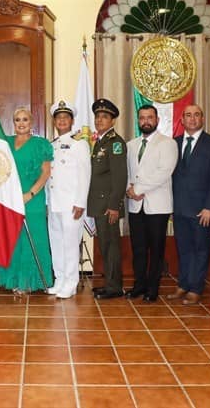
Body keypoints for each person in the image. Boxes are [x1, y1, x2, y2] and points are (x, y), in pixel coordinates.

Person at [169, 105, 210, 305]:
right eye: (188, 115)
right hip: (179, 208)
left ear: (203, 118)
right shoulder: (173, 144)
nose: (192, 119)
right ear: (181, 120)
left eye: (196, 115)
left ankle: (196, 288)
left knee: (201, 249)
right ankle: (183, 285)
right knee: (183, 248)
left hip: (202, 209)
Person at [0, 108, 53, 295]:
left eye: (25, 120)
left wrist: (30, 194)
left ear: (31, 122)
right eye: (17, 120)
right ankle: (15, 279)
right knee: (14, 240)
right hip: (10, 200)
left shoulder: (40, 144)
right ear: (13, 123)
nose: (21, 123)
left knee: (34, 240)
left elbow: (46, 173)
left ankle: (32, 281)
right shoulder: (5, 142)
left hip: (33, 199)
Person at [125, 105, 177, 302]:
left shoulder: (167, 144)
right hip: (135, 205)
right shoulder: (131, 145)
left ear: (157, 120)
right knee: (138, 248)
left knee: (156, 248)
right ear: (138, 121)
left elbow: (164, 172)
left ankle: (152, 289)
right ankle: (139, 285)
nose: (146, 121)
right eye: (142, 118)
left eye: (149, 118)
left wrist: (138, 190)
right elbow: (129, 173)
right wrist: (129, 189)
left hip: (157, 205)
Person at [46, 100, 91, 299]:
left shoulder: (79, 144)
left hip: (72, 205)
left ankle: (71, 283)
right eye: (58, 118)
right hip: (55, 203)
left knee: (71, 245)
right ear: (54, 121)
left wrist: (81, 202)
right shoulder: (51, 145)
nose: (62, 121)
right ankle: (60, 279)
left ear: (72, 121)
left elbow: (84, 174)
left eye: (65, 117)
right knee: (56, 243)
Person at [88, 98, 127, 300]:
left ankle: (114, 287)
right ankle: (109, 283)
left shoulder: (115, 143)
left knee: (111, 246)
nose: (100, 120)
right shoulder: (99, 142)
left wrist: (114, 206)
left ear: (113, 121)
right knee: (105, 245)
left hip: (108, 205)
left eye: (105, 117)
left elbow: (120, 177)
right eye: (97, 116)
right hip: (99, 203)